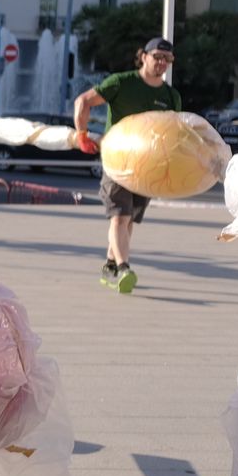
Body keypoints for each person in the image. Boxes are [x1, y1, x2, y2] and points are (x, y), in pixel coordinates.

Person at [73, 36, 180, 294]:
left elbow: (173, 133)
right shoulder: (121, 82)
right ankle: (123, 268)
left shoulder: (171, 96)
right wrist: (81, 134)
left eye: (167, 59)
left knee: (128, 219)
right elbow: (83, 101)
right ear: (143, 56)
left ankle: (111, 265)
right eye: (157, 57)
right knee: (120, 216)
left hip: (148, 167)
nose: (162, 63)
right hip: (117, 160)